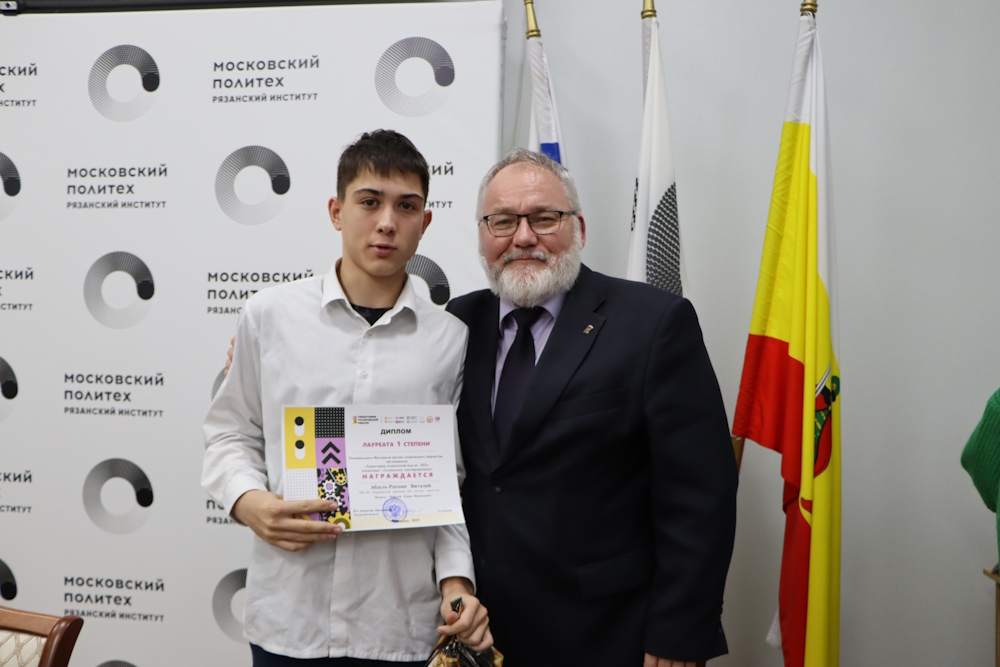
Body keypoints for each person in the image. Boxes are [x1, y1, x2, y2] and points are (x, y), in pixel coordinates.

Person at [203, 130, 491, 666]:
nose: (387, 222)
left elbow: (445, 481)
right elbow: (229, 433)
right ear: (337, 211)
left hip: (398, 624)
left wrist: (457, 584)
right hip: (289, 617)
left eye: (406, 206)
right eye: (369, 202)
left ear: (425, 222)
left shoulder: (450, 339)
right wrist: (249, 502)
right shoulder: (271, 315)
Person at [444, 149, 738, 667]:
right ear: (483, 234)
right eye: (503, 221)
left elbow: (700, 495)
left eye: (544, 217)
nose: (523, 237)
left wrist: (679, 631)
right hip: (481, 635)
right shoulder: (457, 323)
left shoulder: (654, 323)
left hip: (607, 634)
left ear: (578, 227)